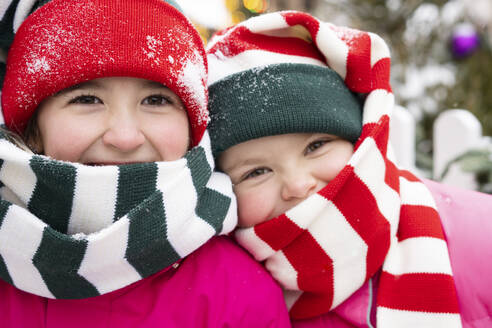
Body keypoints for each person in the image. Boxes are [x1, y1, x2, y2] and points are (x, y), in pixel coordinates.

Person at [0, 1, 291, 327]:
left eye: (156, 100)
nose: (125, 137)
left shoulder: (238, 293)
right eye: (87, 99)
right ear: (32, 127)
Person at [206, 10, 492, 328]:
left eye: (316, 146)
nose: (299, 185)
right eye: (256, 172)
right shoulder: (224, 296)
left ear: (359, 143)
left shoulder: (481, 238)